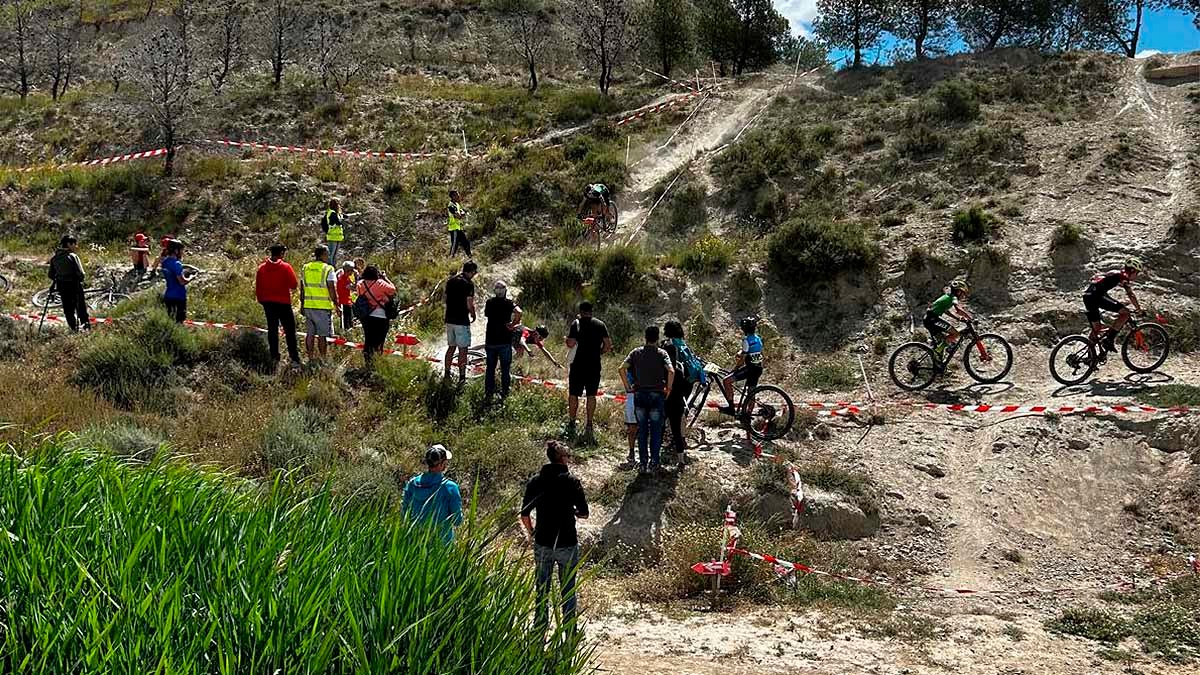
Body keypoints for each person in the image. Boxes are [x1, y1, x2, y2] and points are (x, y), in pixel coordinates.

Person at [520, 440, 589, 637]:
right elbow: (584, 513)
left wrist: (532, 532)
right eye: (568, 456)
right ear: (563, 459)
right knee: (568, 590)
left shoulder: (536, 481)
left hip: (543, 541)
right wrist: (574, 512)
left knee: (542, 589)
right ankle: (569, 632)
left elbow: (524, 514)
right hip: (567, 541)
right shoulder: (572, 481)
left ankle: (539, 629)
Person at [620, 326, 674, 473]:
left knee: (642, 430)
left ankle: (643, 463)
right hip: (657, 395)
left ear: (645, 337)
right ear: (657, 338)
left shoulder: (635, 353)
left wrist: (628, 387)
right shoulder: (662, 353)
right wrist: (668, 389)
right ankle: (654, 462)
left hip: (640, 394)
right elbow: (671, 371)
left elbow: (621, 368)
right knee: (656, 431)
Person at [563, 301, 612, 444]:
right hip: (594, 365)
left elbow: (571, 343)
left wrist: (567, 340)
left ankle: (572, 422)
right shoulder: (600, 324)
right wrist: (598, 352)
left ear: (580, 311)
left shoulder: (576, 324)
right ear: (591, 311)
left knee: (573, 394)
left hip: (578, 365)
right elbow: (608, 345)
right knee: (591, 395)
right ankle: (589, 424)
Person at [402, 444, 464, 544]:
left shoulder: (412, 484)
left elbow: (404, 513)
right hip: (441, 545)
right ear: (441, 464)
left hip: (415, 542)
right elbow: (457, 520)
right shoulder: (450, 487)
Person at [1084, 257, 1144, 357]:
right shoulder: (1124, 276)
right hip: (1097, 296)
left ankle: (1090, 357)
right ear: (1132, 270)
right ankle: (1109, 339)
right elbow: (1130, 294)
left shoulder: (1115, 272)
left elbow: (1097, 278)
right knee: (1125, 313)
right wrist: (1139, 309)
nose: (1136, 276)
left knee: (1097, 328)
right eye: (1137, 273)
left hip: (1087, 296)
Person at [255, 244, 301, 367]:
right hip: (283, 303)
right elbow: (294, 285)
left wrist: (262, 301)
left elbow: (258, 287)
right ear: (281, 253)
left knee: (272, 330)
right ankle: (294, 358)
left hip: (268, 303)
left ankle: (274, 357)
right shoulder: (286, 267)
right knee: (290, 331)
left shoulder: (261, 268)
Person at [660, 320, 697, 467]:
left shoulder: (668, 344)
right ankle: (681, 440)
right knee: (680, 414)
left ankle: (667, 442)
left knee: (664, 419)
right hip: (686, 383)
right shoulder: (683, 344)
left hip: (670, 386)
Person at [300, 245, 339, 362]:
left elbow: (302, 288)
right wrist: (336, 304)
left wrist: (302, 305)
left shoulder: (306, 267)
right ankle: (323, 358)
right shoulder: (328, 269)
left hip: (308, 306)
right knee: (322, 336)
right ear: (323, 255)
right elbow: (331, 288)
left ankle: (310, 357)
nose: (329, 256)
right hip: (322, 307)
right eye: (327, 254)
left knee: (310, 334)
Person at [483, 280, 519, 403]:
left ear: (494, 291)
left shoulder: (489, 302)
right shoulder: (509, 303)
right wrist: (513, 324)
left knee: (490, 369)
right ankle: (505, 393)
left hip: (491, 340)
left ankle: (488, 393)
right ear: (505, 290)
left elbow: (487, 315)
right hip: (504, 340)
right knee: (505, 369)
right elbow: (519, 312)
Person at [720, 316, 764, 416]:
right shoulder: (758, 339)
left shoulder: (746, 340)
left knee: (726, 381)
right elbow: (753, 350)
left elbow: (742, 360)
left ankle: (731, 408)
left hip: (750, 369)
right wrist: (741, 352)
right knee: (751, 392)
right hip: (758, 368)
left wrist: (734, 369)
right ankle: (748, 414)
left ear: (744, 329)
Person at [443, 261, 478, 383]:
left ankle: (447, 373)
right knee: (463, 350)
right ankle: (462, 377)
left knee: (451, 347)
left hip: (449, 319)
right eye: (474, 272)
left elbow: (445, 299)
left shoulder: (451, 281)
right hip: (461, 320)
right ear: (471, 271)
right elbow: (469, 303)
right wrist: (473, 313)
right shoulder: (469, 284)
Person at [356, 265, 397, 369]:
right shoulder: (380, 283)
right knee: (379, 341)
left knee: (368, 340)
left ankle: (368, 364)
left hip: (366, 316)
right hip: (381, 316)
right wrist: (385, 278)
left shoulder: (360, 284)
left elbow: (359, 295)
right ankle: (377, 363)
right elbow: (393, 290)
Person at [47, 235, 89, 332]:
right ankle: (86, 328)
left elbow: (51, 275)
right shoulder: (72, 256)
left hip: (62, 286)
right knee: (81, 307)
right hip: (74, 285)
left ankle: (74, 329)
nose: (76, 246)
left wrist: (60, 277)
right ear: (69, 244)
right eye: (74, 244)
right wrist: (80, 279)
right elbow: (81, 273)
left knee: (68, 309)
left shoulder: (54, 258)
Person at [924, 280, 974, 358]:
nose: (963, 295)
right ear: (958, 292)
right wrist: (970, 317)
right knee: (955, 333)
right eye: (963, 293)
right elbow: (958, 309)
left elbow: (946, 311)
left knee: (941, 341)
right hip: (932, 320)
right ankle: (939, 350)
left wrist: (957, 318)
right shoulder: (953, 298)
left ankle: (936, 358)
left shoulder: (947, 297)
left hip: (929, 319)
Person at [160, 239, 191, 323]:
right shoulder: (177, 264)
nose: (182, 252)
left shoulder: (165, 262)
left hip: (168, 295)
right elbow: (182, 282)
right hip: (179, 296)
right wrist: (191, 277)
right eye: (181, 250)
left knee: (170, 320)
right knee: (179, 321)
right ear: (176, 251)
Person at [447, 190, 471, 258]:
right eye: (457, 195)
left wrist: (461, 214)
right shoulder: (451, 206)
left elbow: (461, 212)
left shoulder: (457, 205)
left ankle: (470, 257)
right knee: (455, 245)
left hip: (459, 228)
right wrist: (461, 214)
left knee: (466, 242)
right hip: (454, 229)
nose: (458, 196)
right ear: (453, 196)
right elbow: (459, 216)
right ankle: (450, 258)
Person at [335, 260, 357, 333]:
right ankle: (345, 335)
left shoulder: (344, 276)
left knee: (349, 321)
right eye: (352, 270)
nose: (353, 272)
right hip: (344, 303)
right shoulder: (343, 279)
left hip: (347, 302)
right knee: (346, 324)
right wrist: (356, 277)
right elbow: (355, 288)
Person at [321, 198, 345, 265]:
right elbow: (338, 222)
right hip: (332, 237)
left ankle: (333, 266)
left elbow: (344, 216)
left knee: (334, 255)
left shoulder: (336, 213)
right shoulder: (332, 213)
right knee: (331, 255)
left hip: (337, 237)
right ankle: (330, 267)